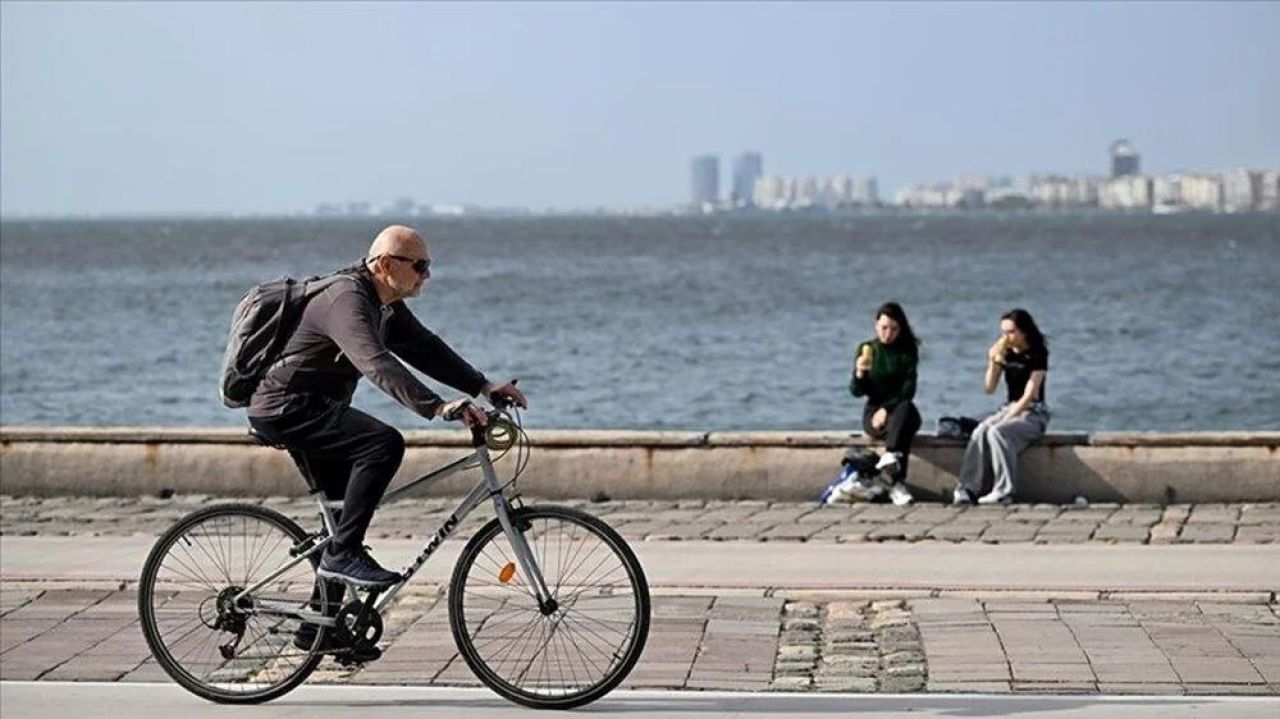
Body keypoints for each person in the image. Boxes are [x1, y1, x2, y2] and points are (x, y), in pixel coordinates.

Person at [247, 225, 527, 590]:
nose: (427, 275)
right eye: (419, 265)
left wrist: (483, 386)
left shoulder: (384, 305)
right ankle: (343, 555)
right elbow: (375, 363)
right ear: (384, 264)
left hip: (315, 407)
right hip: (287, 407)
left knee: (341, 515)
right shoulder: (346, 299)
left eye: (428, 265)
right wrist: (439, 407)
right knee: (382, 445)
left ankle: (325, 623)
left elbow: (424, 347)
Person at [953, 308, 1050, 505]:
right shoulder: (1006, 352)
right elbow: (989, 388)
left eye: (1011, 332)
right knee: (980, 431)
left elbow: (1029, 395)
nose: (1007, 337)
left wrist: (1007, 419)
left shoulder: (1037, 353)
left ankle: (1004, 490)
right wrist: (993, 362)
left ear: (1024, 332)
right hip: (1009, 406)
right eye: (1004, 332)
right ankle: (967, 488)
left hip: (1032, 411)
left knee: (997, 432)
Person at [847, 301, 922, 506]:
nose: (888, 334)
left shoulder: (907, 351)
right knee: (902, 430)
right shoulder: (868, 349)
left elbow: (908, 390)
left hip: (901, 408)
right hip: (874, 413)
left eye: (893, 329)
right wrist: (860, 373)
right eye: (884, 328)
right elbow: (856, 392)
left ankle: (890, 454)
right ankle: (897, 483)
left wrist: (887, 409)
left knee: (904, 413)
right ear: (876, 326)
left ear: (901, 328)